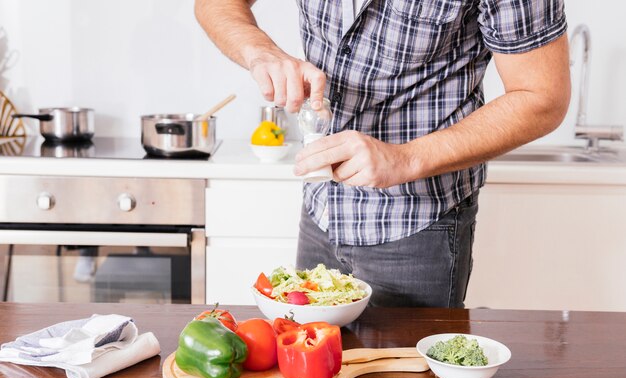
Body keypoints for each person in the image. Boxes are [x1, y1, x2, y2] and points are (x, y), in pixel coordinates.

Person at [194, 0, 570, 308]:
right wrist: (261, 52)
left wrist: (405, 158)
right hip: (322, 209)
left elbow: (543, 97)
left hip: (418, 222)